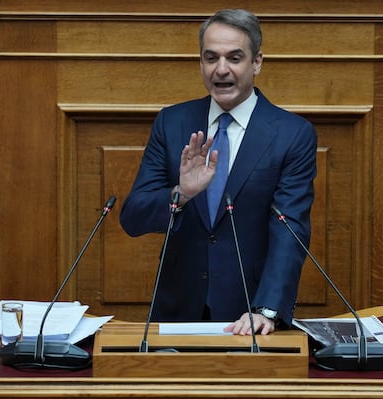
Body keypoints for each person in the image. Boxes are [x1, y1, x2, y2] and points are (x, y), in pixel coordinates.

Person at [120, 9, 317, 336]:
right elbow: (133, 217)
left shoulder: (292, 134)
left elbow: (290, 228)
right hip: (177, 314)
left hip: (250, 317)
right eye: (211, 58)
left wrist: (266, 308)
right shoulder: (172, 123)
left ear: (257, 62)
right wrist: (182, 194)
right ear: (201, 63)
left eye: (234, 58)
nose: (221, 69)